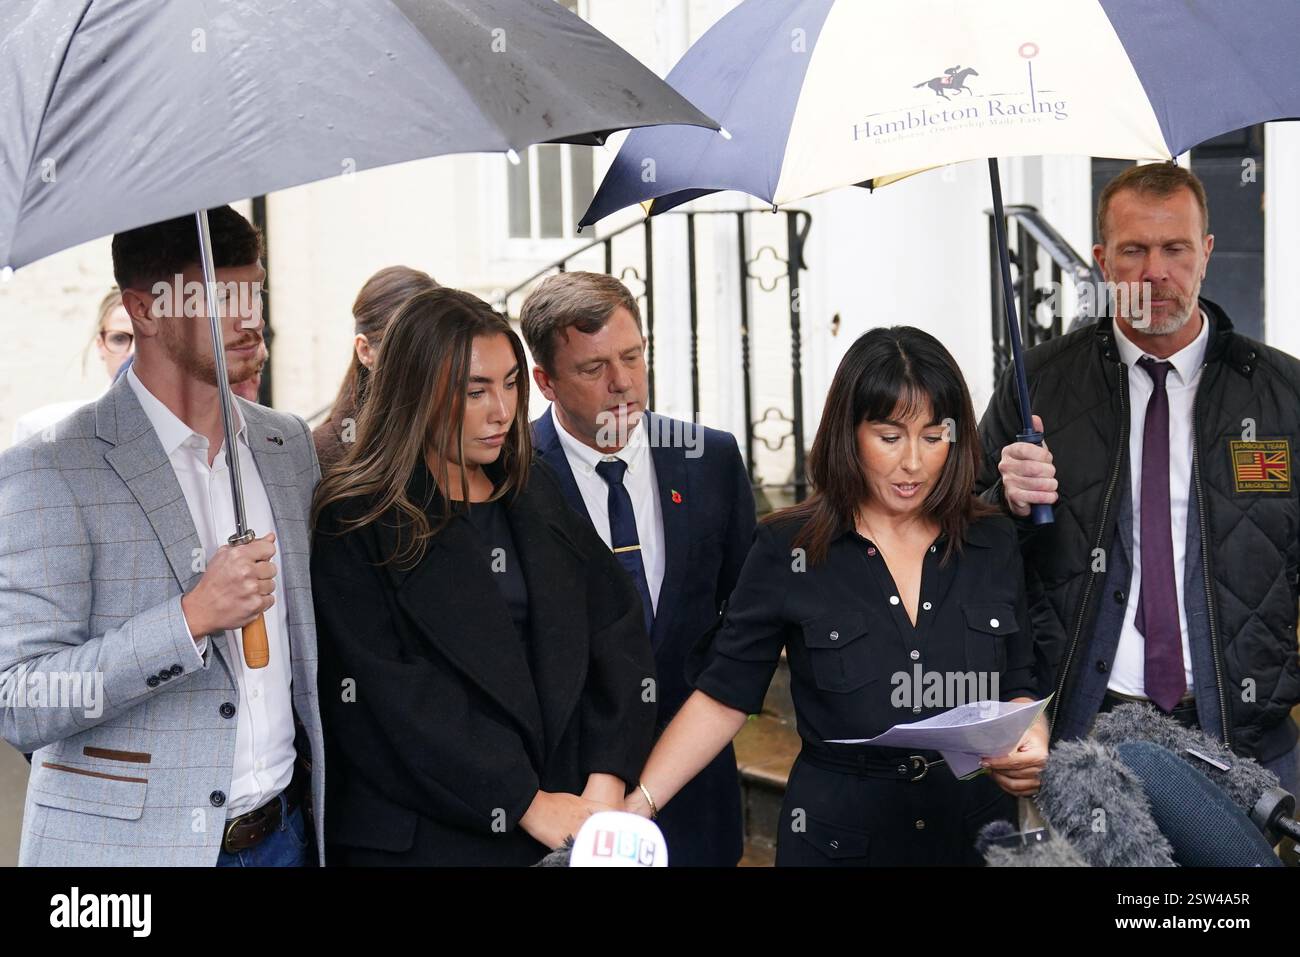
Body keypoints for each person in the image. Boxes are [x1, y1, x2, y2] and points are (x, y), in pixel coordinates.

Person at [624, 327, 1047, 866]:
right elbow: (724, 695)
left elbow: (1018, 682)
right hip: (836, 841)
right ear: (849, 434)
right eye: (890, 437)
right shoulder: (787, 548)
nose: (913, 462)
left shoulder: (992, 539)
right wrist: (639, 803)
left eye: (933, 436)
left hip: (973, 835)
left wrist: (1030, 738)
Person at [0, 205, 326, 865]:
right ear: (142, 310)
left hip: (286, 835)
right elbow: (23, 699)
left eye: (253, 291)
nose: (248, 317)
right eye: (220, 297)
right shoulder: (51, 464)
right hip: (129, 854)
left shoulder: (285, 443)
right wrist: (189, 618)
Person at [978, 162, 1300, 796]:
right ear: (1102, 260)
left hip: (1251, 746)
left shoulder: (1282, 397)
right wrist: (1003, 502)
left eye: (1175, 248)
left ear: (1205, 253)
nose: (1156, 271)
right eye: (1135, 250)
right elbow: (965, 552)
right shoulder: (1037, 387)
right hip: (1086, 737)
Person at [310, 286, 656, 866]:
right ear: (416, 394)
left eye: (511, 383)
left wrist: (605, 776)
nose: (503, 410)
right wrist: (524, 801)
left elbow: (615, 632)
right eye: (476, 391)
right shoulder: (356, 520)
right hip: (430, 838)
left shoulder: (532, 490)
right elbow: (389, 701)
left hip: (571, 824)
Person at [520, 271, 754, 866]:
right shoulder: (510, 479)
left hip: (696, 792)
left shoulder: (712, 459)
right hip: (570, 802)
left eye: (632, 356)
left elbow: (744, 625)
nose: (623, 383)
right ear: (545, 381)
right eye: (593, 368)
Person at [313, 265, 439, 471]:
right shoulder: (324, 453)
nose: (427, 362)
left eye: (436, 346)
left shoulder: (457, 436)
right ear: (365, 350)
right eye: (407, 347)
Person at [11, 287, 134, 444]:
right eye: (119, 339)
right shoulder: (40, 430)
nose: (134, 351)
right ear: (100, 345)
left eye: (150, 339)